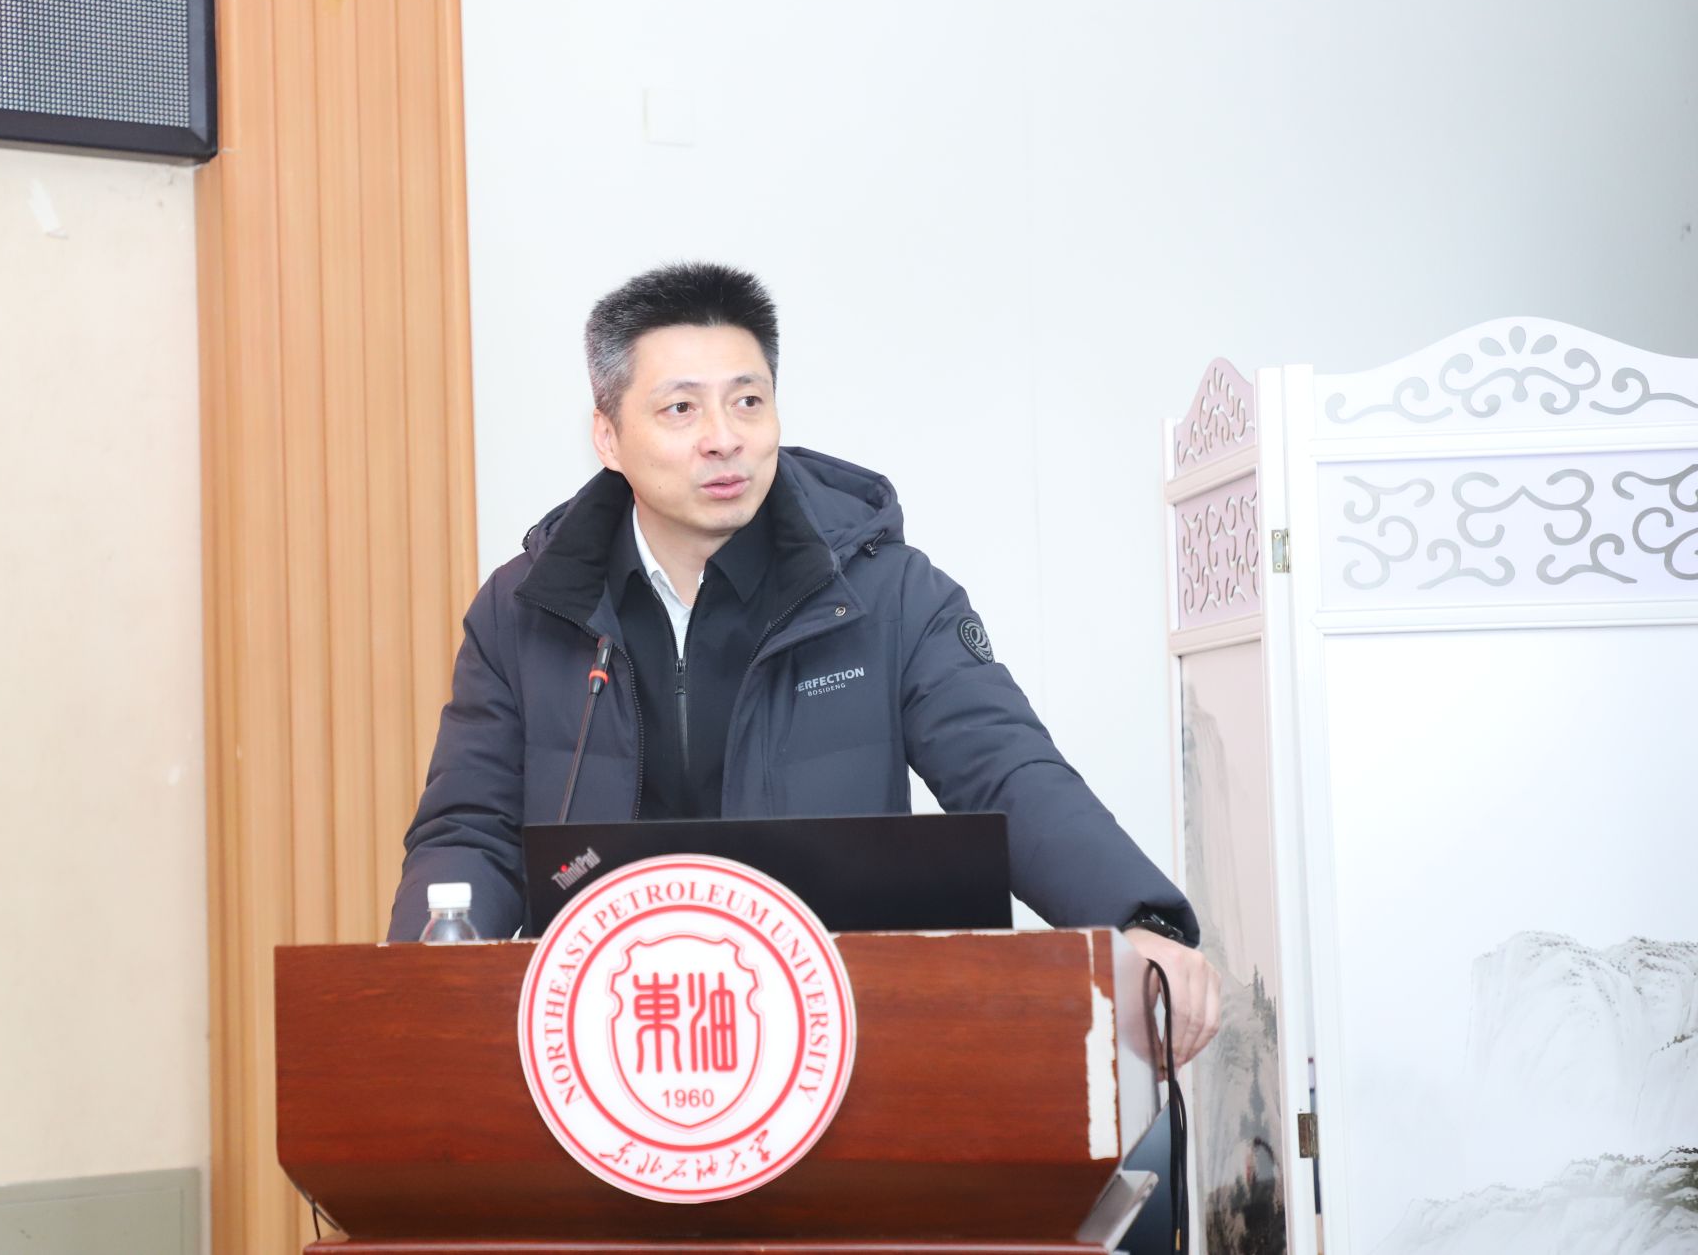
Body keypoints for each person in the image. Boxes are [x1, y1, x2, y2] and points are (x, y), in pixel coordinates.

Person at [388, 262, 1219, 1061]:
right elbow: (471, 830)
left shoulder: (884, 594)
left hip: (840, 1033)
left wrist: (1137, 918)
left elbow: (1006, 770)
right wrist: (418, 988)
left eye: (748, 401)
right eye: (681, 408)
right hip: (605, 1036)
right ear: (608, 436)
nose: (724, 438)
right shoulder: (526, 609)